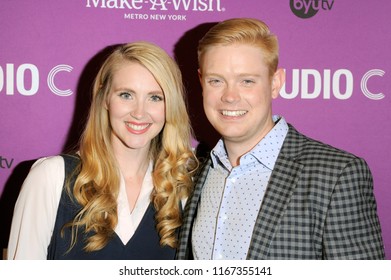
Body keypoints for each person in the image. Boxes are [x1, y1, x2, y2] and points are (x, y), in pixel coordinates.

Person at [176, 18, 385, 260]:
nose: (230, 96)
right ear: (202, 82)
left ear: (275, 83)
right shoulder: (196, 170)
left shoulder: (336, 175)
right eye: (216, 81)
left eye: (247, 81)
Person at [7, 41, 198, 259]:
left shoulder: (182, 189)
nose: (139, 112)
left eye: (155, 97)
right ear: (104, 97)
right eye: (126, 95)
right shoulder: (51, 177)